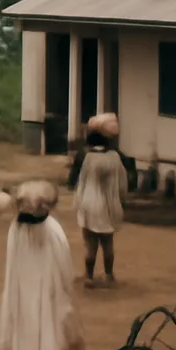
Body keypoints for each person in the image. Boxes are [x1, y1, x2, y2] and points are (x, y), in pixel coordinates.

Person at [0, 180, 84, 350]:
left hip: (25, 297)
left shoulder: (17, 229)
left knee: (30, 337)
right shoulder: (52, 230)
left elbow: (13, 269)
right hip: (49, 298)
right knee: (48, 343)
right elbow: (64, 270)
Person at [73, 113, 128, 287]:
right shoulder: (115, 158)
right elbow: (122, 185)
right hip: (109, 206)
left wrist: (78, 204)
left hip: (89, 205)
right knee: (107, 243)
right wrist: (121, 202)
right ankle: (109, 275)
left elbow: (81, 182)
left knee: (90, 245)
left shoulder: (89, 158)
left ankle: (89, 277)